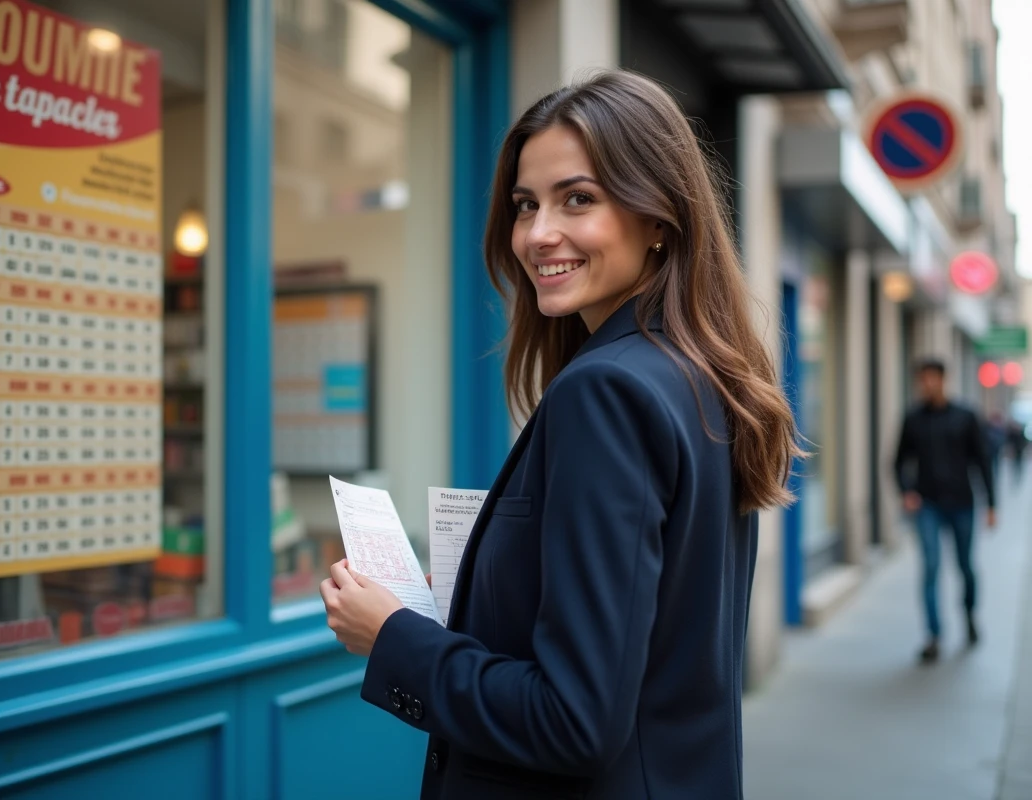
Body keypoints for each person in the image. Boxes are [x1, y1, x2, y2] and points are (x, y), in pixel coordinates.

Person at [319, 70, 800, 800]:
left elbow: (573, 720)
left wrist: (393, 636)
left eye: (579, 199)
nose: (538, 234)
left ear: (659, 217)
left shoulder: (606, 392)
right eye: (524, 205)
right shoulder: (700, 378)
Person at [894, 358, 996, 665]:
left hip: (963, 504)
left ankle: (969, 615)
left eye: (931, 378)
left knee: (965, 566)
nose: (927, 384)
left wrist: (992, 504)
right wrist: (907, 491)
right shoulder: (913, 419)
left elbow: (982, 462)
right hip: (928, 505)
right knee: (931, 568)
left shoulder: (965, 417)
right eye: (922, 379)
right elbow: (898, 462)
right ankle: (933, 636)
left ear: (942, 380)